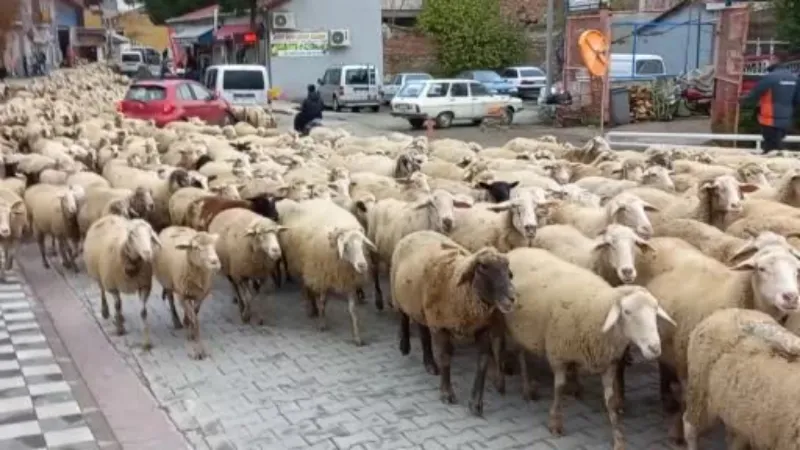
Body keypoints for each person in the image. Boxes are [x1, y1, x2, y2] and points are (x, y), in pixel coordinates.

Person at [740, 62, 800, 153]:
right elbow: (797, 100)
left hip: (769, 117)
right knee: (777, 141)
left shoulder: (769, 78)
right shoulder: (795, 79)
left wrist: (743, 102)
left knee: (771, 145)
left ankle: (777, 160)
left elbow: (754, 94)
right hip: (786, 118)